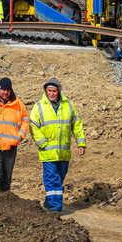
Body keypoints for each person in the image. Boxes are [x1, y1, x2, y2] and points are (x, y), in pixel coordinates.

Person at [29, 78, 86, 213]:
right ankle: (55, 208)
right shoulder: (39, 106)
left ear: (59, 91)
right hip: (47, 152)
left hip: (64, 152)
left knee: (59, 178)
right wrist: (42, 143)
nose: (52, 93)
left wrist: (81, 143)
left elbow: (76, 125)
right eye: (49, 91)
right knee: (52, 179)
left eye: (54, 91)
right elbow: (33, 125)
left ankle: (50, 203)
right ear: (45, 91)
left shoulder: (68, 105)